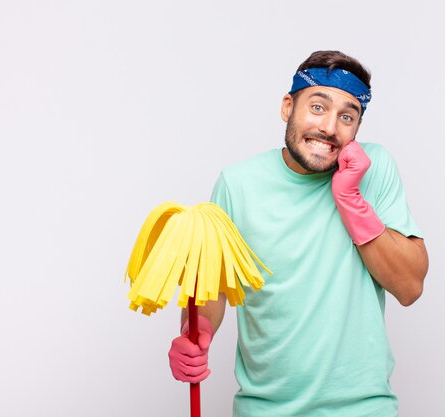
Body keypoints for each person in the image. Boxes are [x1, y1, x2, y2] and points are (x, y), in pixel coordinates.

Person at [168, 50, 429, 416]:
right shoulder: (238, 184)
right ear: (287, 107)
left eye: (347, 116)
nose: (329, 128)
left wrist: (351, 200)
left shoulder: (376, 168)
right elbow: (210, 291)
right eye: (318, 107)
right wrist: (195, 334)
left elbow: (409, 286)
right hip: (264, 410)